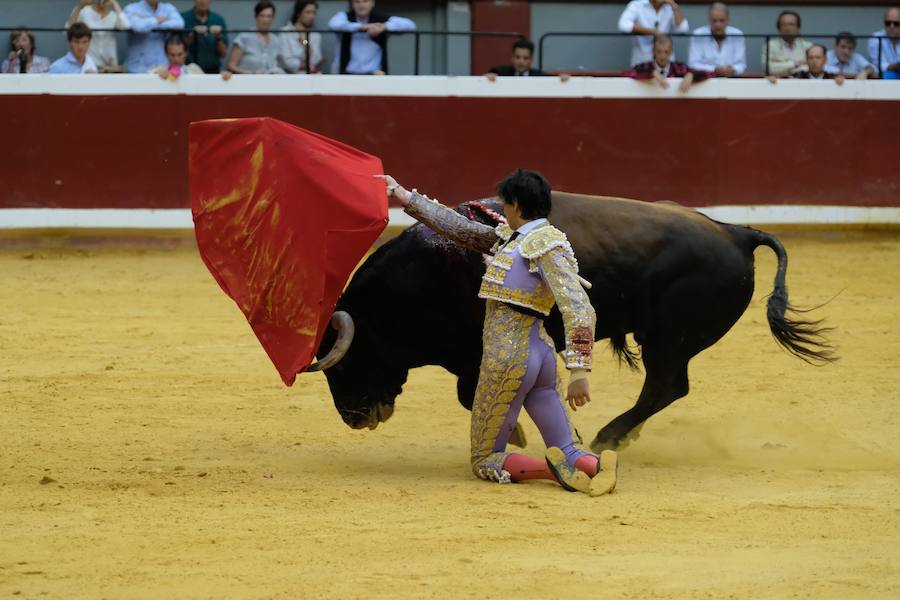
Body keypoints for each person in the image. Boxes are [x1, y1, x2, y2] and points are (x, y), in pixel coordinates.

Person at [376, 169, 618, 496]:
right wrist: (405, 196)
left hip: (508, 359)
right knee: (567, 446)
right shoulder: (515, 239)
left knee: (485, 458)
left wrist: (579, 368)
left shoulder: (541, 245)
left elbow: (579, 307)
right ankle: (596, 466)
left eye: (506, 205)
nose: (503, 210)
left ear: (517, 205)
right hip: (540, 355)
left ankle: (551, 469)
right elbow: (459, 229)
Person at [328, 0, 416, 75]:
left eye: (365, 1)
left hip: (375, 75)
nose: (361, 5)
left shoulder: (380, 19)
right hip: (347, 73)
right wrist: (362, 27)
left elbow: (411, 25)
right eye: (357, 2)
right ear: (352, 4)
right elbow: (333, 24)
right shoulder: (345, 17)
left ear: (372, 3)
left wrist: (384, 27)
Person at [626, 34, 710, 92]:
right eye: (659, 52)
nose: (662, 56)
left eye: (666, 52)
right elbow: (629, 73)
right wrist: (652, 72)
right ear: (653, 51)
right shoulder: (645, 66)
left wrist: (691, 75)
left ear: (671, 52)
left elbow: (707, 74)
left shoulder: (680, 68)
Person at [618, 0, 689, 67]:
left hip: (666, 64)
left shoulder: (671, 6)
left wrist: (674, 5)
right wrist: (652, 32)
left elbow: (683, 29)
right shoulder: (637, 5)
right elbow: (623, 25)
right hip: (642, 62)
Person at [65, 0, 130, 73]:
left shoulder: (113, 15)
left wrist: (114, 3)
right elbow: (68, 28)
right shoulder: (84, 11)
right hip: (89, 64)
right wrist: (79, 7)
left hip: (109, 66)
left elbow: (125, 26)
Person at [124, 0, 184, 74]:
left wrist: (146, 22)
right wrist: (156, 20)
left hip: (162, 69)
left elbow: (179, 23)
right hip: (138, 69)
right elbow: (138, 26)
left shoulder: (168, 8)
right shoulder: (131, 8)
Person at [688, 2, 745, 76]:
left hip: (731, 79)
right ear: (709, 20)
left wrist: (733, 70)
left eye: (721, 21)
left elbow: (741, 64)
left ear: (728, 20)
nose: (718, 25)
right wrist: (714, 70)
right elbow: (693, 64)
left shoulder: (737, 35)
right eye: (714, 21)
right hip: (705, 80)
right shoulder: (698, 35)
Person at [227, 1, 284, 74]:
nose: (265, 20)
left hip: (270, 82)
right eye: (262, 16)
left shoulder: (276, 40)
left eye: (269, 16)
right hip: (247, 81)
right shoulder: (244, 37)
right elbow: (231, 66)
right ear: (256, 17)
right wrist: (251, 73)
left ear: (273, 18)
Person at [485, 38, 570, 82]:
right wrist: (488, 78)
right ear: (512, 58)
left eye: (525, 58)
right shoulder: (500, 72)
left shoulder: (540, 76)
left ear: (531, 60)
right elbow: (484, 82)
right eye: (518, 57)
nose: (521, 61)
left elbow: (553, 85)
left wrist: (562, 80)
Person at [181, 0, 228, 74]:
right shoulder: (183, 18)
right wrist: (192, 35)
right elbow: (176, 48)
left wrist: (218, 36)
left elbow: (223, 54)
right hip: (188, 69)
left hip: (213, 70)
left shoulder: (218, 20)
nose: (203, 2)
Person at [762, 10, 812, 76]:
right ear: (779, 28)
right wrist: (795, 64)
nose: (787, 28)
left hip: (802, 82)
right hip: (778, 83)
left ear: (798, 28)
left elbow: (811, 68)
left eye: (791, 24)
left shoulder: (808, 46)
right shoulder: (770, 45)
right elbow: (767, 68)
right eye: (784, 25)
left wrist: (780, 65)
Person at [280, 1, 324, 74]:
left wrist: (305, 42)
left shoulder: (316, 34)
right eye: (308, 12)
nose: (312, 16)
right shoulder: (285, 32)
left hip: (310, 77)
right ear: (298, 13)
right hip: (289, 77)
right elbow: (287, 62)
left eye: (314, 13)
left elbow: (316, 59)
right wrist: (307, 65)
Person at [868, 7, 900, 79]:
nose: (892, 26)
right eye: (888, 23)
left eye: (896, 23)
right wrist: (895, 66)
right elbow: (877, 64)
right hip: (884, 76)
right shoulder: (875, 38)